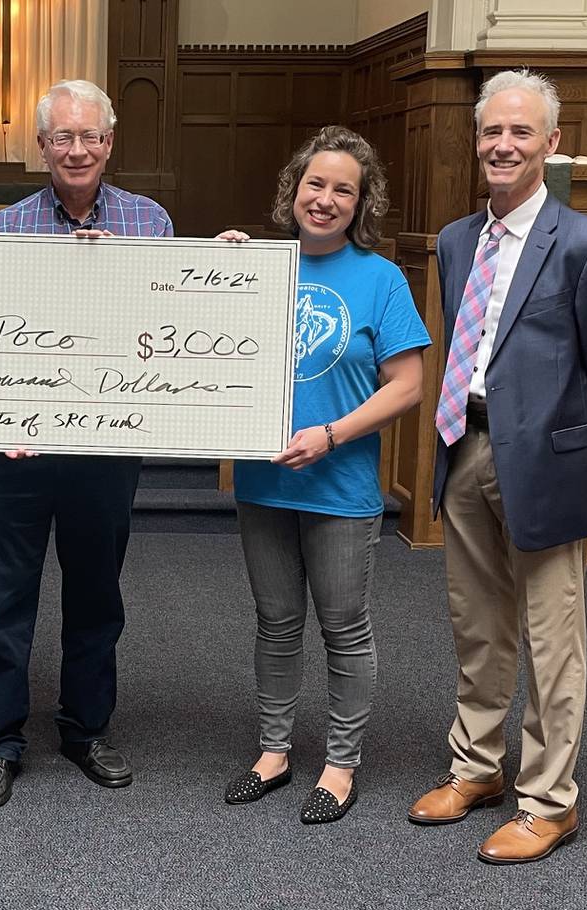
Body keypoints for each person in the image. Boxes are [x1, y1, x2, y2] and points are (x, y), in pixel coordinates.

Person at [408, 70, 587, 863]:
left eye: (520, 132)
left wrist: (582, 456)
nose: (502, 145)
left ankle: (549, 801)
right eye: (490, 132)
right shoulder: (453, 240)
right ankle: (476, 766)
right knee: (477, 626)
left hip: (551, 463)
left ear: (551, 143)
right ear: (475, 142)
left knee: (553, 641)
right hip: (465, 445)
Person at [0, 79, 173, 809]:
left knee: (96, 596)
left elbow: (169, 333)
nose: (77, 149)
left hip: (106, 451)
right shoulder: (5, 227)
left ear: (110, 143)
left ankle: (87, 730)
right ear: (41, 147)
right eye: (62, 137)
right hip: (16, 452)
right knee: (3, 598)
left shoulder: (150, 223)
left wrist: (226, 270)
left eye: (90, 137)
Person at [217, 127, 429, 823]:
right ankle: (273, 752)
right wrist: (212, 273)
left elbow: (408, 384)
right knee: (276, 623)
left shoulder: (379, 278)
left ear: (360, 201)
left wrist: (332, 434)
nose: (326, 198)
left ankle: (341, 766)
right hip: (264, 481)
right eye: (316, 184)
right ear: (294, 190)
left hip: (340, 488)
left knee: (344, 627)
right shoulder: (260, 267)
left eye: (344, 188)